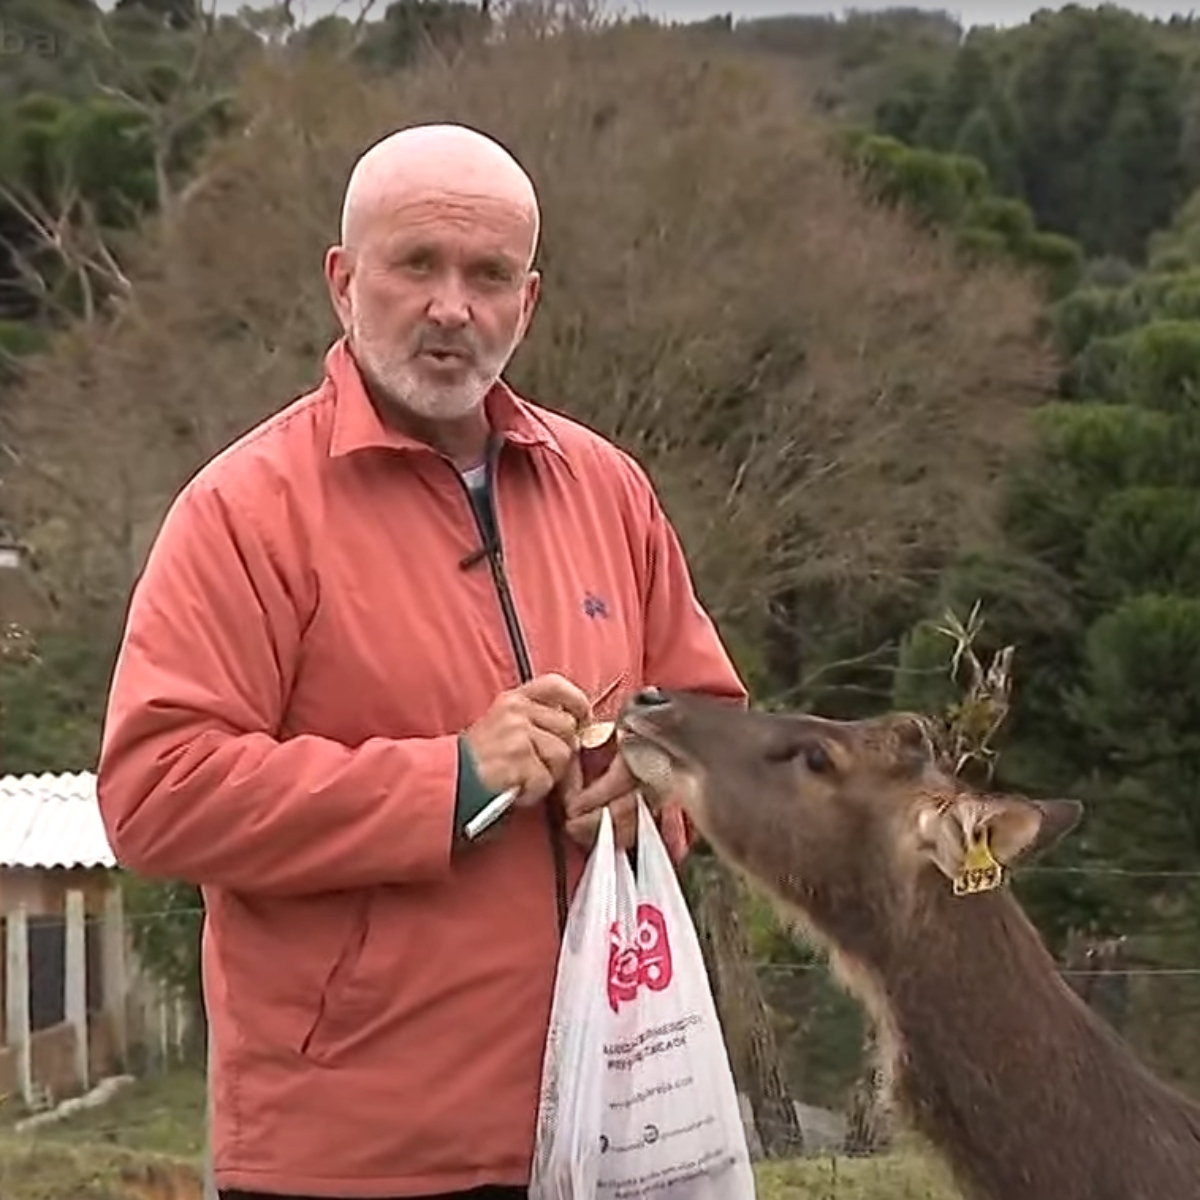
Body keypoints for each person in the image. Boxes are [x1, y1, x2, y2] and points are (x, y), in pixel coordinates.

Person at [95, 122, 747, 1200]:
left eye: (488, 274)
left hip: (610, 1125)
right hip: (352, 1152)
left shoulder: (609, 490)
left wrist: (657, 784)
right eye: (416, 266)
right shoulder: (244, 512)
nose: (453, 305)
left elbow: (713, 722)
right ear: (344, 282)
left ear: (527, 302)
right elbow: (156, 794)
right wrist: (450, 779)